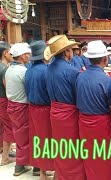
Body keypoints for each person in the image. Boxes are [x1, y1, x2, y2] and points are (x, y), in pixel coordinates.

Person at [76, 40, 111, 180]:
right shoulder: (107, 80)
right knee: (105, 155)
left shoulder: (80, 77)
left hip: (83, 120)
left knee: (89, 153)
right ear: (105, 59)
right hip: (101, 123)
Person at [45, 35, 85, 180]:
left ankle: (60, 173)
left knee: (60, 145)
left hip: (55, 111)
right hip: (69, 113)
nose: (72, 52)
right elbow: (78, 95)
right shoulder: (72, 72)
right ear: (65, 52)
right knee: (72, 145)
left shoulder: (48, 69)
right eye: (70, 50)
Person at [25, 40, 54, 179]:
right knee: (46, 140)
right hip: (44, 109)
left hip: (32, 108)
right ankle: (44, 172)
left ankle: (38, 168)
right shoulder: (46, 70)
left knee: (36, 138)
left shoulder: (29, 69)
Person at [5, 43, 35, 176]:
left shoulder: (9, 69)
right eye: (28, 54)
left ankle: (22, 163)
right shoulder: (23, 72)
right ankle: (21, 165)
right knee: (26, 136)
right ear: (22, 56)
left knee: (19, 135)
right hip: (22, 106)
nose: (29, 56)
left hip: (11, 105)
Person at [0, 42, 15, 166]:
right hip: (3, 100)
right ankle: (5, 157)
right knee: (9, 127)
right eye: (10, 52)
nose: (12, 55)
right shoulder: (5, 69)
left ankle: (4, 149)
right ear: (5, 53)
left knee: (3, 126)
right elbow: (7, 88)